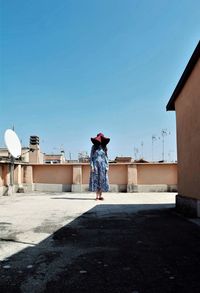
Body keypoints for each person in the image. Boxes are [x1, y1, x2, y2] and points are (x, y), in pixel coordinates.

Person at [89, 133, 110, 200]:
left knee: (102, 180)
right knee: (96, 179)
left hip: (103, 165)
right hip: (95, 165)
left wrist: (107, 166)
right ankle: (97, 196)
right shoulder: (94, 147)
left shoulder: (104, 147)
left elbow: (106, 157)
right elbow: (91, 157)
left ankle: (100, 195)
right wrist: (92, 166)